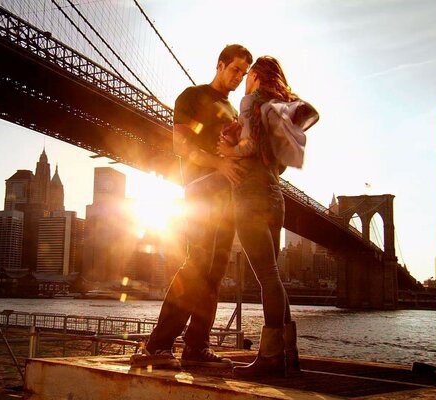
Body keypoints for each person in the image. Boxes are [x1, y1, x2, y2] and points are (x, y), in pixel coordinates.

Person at [130, 44, 253, 369]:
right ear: (220, 64)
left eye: (243, 73)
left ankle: (196, 348)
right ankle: (158, 345)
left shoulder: (234, 111)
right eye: (235, 69)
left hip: (228, 199)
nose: (238, 77)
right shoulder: (192, 97)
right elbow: (180, 145)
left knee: (213, 275)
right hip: (200, 192)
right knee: (196, 266)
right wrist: (218, 163)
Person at [217, 55, 319, 378]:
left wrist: (227, 150)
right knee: (273, 275)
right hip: (276, 200)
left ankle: (271, 358)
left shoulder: (253, 102)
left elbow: (246, 149)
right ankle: (290, 355)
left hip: (249, 198)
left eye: (248, 75)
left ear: (258, 76)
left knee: (266, 277)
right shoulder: (278, 111)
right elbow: (277, 161)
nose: (244, 80)